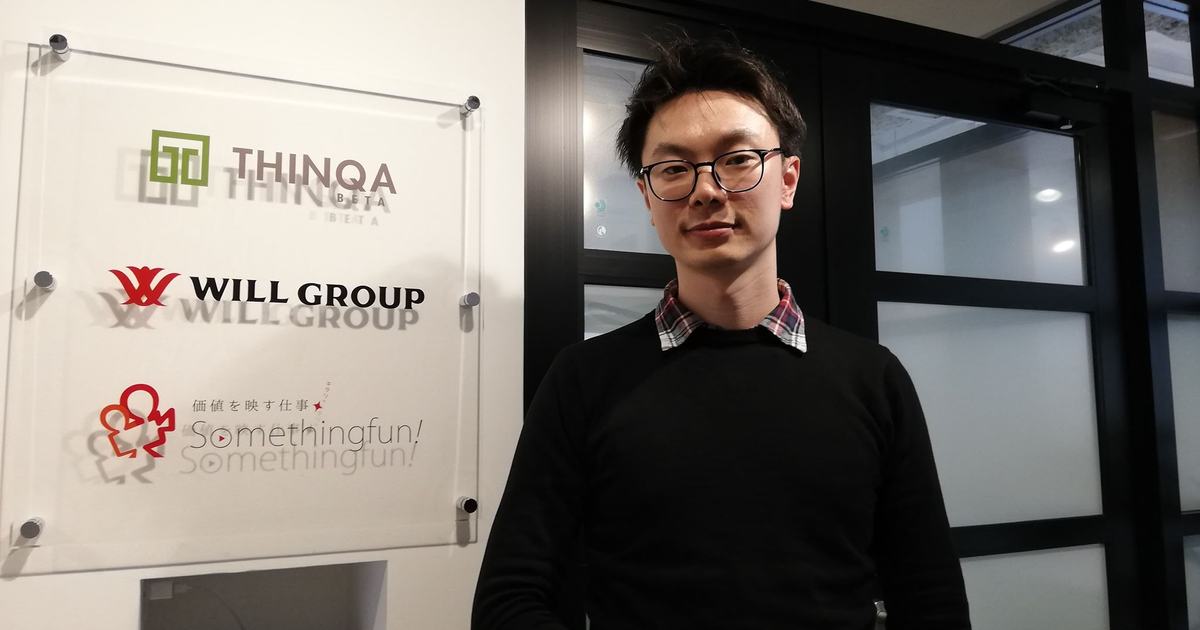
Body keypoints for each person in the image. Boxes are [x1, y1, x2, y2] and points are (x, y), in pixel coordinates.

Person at [473, 33, 971, 630]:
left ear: (787, 180)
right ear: (647, 197)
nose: (706, 190)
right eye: (674, 169)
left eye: (737, 159)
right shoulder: (584, 379)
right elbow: (508, 600)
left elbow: (932, 598)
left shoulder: (873, 378)